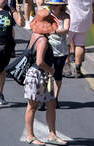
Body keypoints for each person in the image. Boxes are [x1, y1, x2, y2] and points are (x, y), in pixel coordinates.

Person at [23, 8, 66, 146]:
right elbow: (39, 61)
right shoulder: (42, 41)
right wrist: (51, 70)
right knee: (33, 106)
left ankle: (52, 134)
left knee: (51, 104)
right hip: (38, 75)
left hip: (40, 75)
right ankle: (30, 135)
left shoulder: (35, 36)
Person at [45, 0, 72, 103]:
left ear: (60, 6)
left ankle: (55, 98)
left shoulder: (65, 16)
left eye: (55, 5)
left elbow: (66, 29)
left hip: (61, 50)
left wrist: (53, 31)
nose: (52, 7)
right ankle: (45, 97)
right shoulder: (47, 16)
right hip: (48, 48)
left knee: (58, 74)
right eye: (51, 5)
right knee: (46, 74)